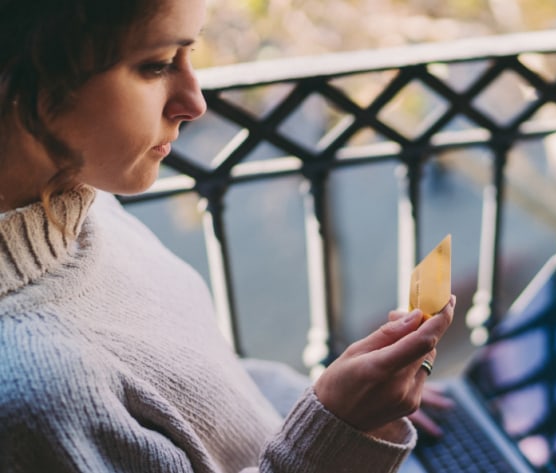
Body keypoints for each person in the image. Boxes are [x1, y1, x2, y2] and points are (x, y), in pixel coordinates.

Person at [0, 0, 455, 471]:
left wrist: (341, 402)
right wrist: (342, 432)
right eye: (156, 66)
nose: (195, 103)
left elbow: (203, 393)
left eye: (189, 53)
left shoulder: (76, 206)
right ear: (20, 78)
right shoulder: (35, 386)